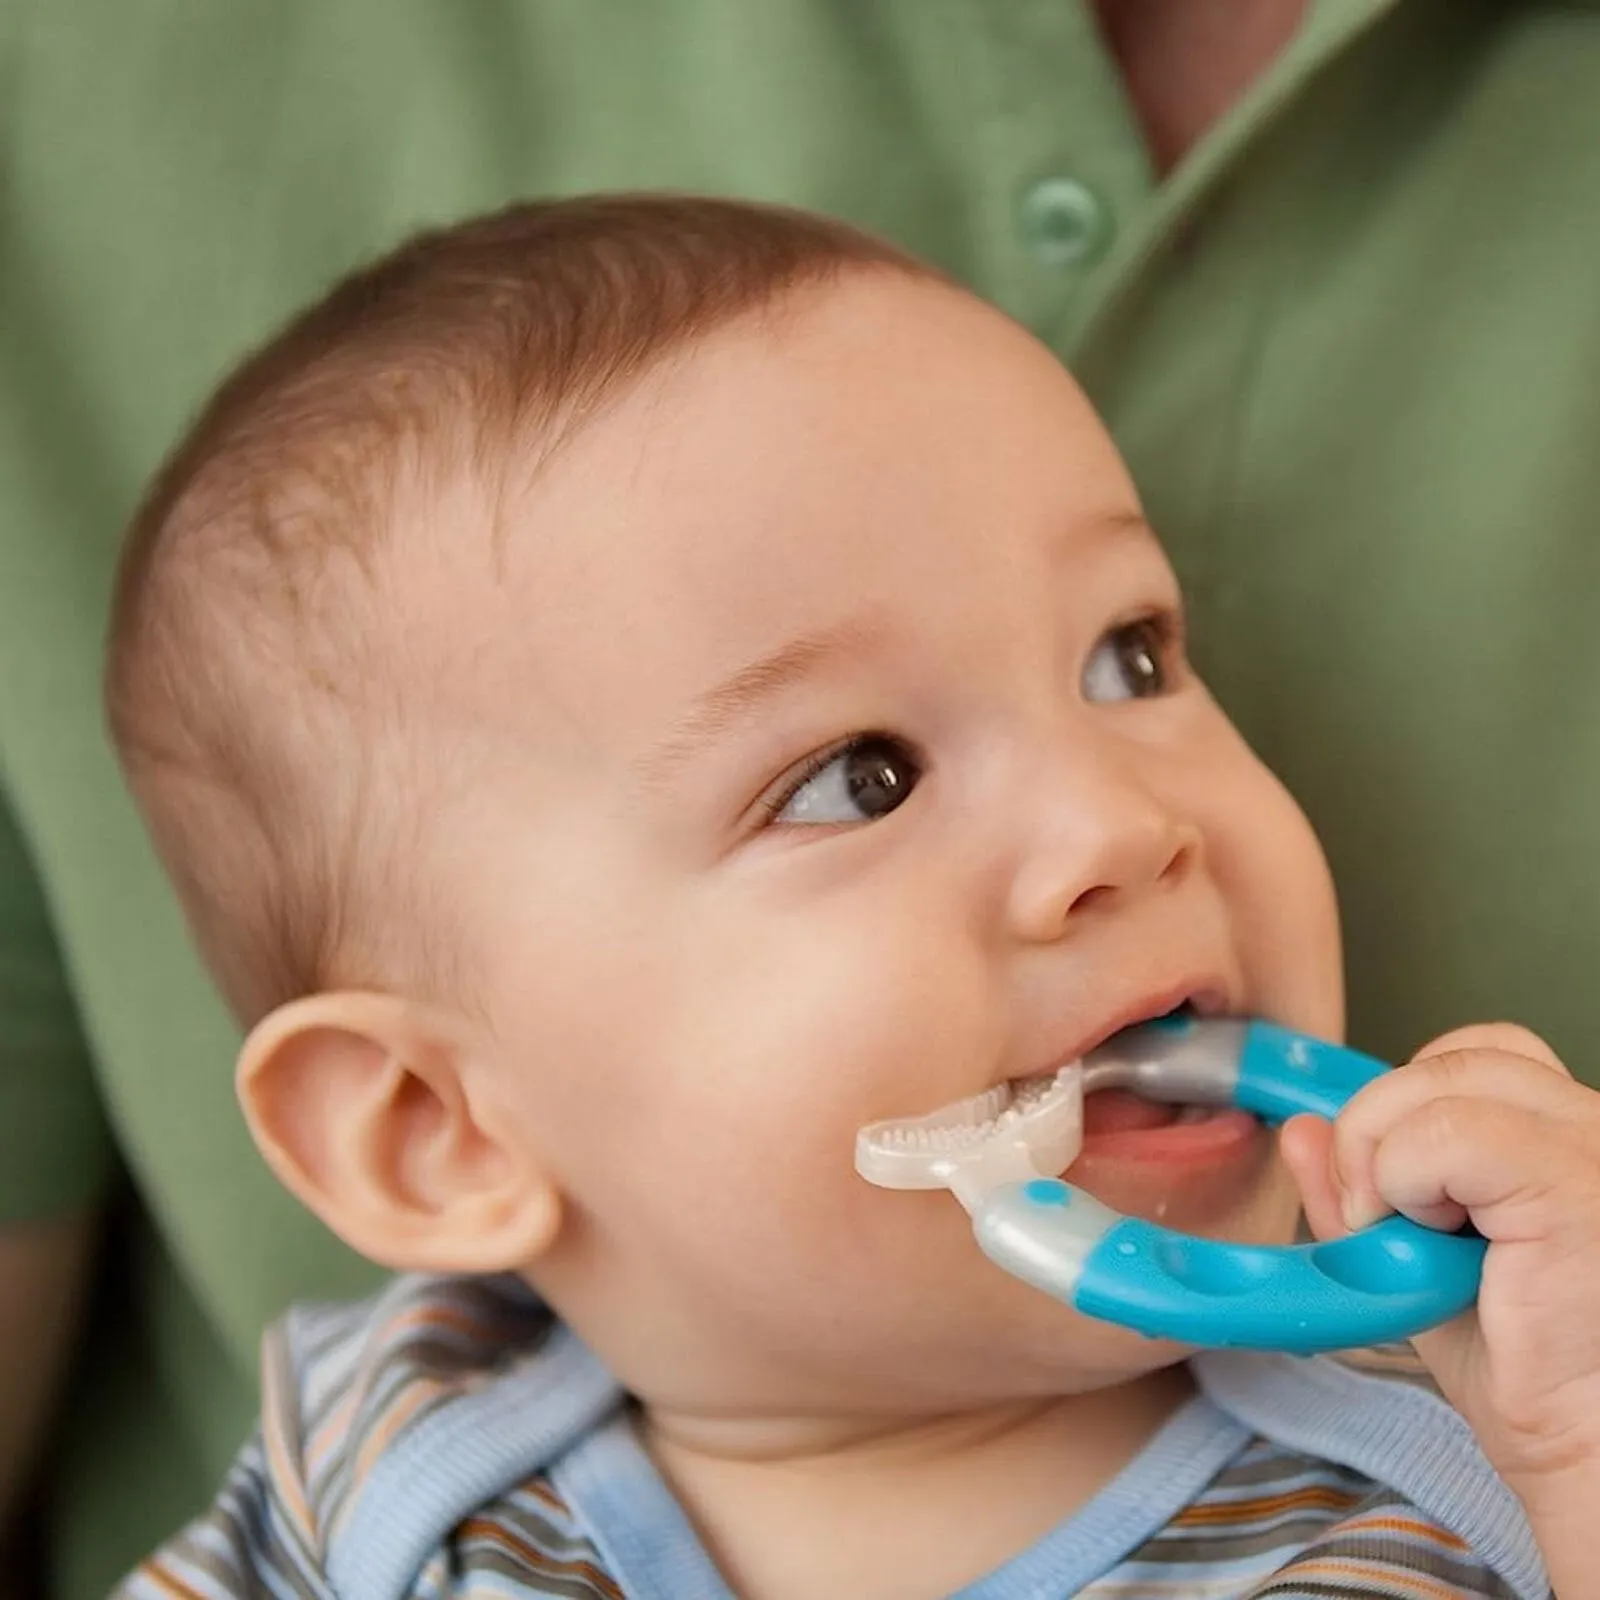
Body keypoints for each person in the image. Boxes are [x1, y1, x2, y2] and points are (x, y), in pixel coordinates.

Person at [9, 4, 1600, 1593]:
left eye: (1128, 658)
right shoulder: (378, 1459)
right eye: (862, 779)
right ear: (437, 1134)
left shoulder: (1482, 1445)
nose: (1123, 825)